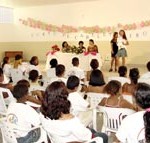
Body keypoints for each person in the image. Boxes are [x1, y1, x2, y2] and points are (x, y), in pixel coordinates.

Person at [40, 81, 108, 143]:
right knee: (103, 136)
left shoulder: (42, 115)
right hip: (76, 140)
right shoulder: (70, 120)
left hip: (56, 140)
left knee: (91, 130)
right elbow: (87, 137)